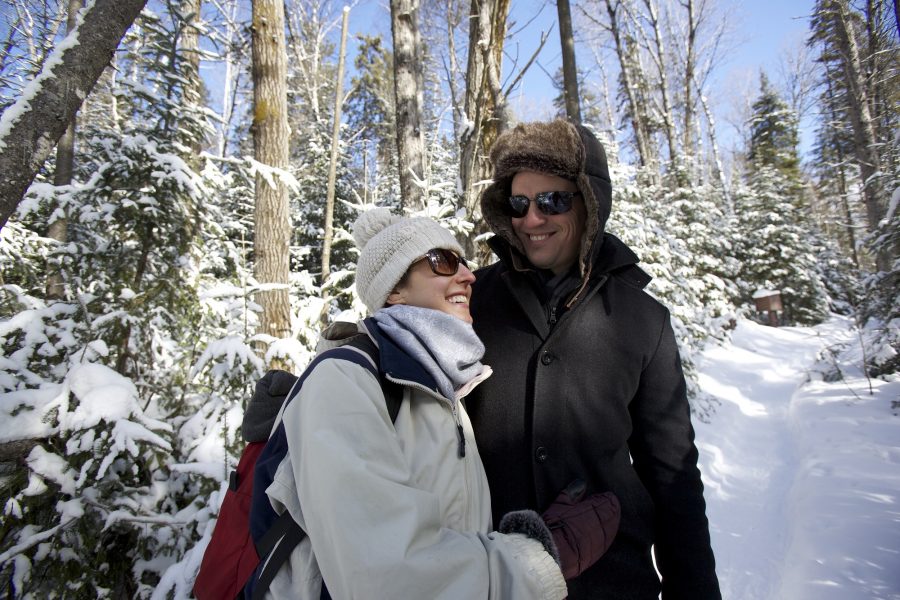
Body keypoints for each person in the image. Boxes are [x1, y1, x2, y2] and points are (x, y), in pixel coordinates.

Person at [257, 207, 619, 599]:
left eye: (463, 262)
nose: (467, 275)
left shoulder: (440, 391)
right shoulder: (344, 382)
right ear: (394, 290)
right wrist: (540, 558)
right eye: (442, 261)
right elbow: (386, 577)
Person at [467, 119, 722, 600]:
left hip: (611, 580)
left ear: (592, 202)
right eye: (520, 204)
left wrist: (696, 590)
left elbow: (671, 473)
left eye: (553, 201)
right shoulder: (472, 302)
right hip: (490, 577)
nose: (532, 219)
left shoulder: (644, 321)